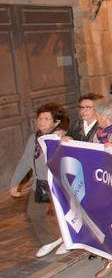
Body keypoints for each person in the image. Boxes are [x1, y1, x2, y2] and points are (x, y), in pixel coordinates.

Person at [9, 103, 68, 258]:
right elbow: (25, 162)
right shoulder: (33, 139)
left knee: (65, 215)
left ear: (56, 122)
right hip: (41, 184)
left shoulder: (61, 138)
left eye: (47, 119)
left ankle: (68, 241)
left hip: (59, 184)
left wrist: (64, 141)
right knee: (34, 214)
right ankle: (52, 239)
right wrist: (14, 183)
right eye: (40, 118)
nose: (41, 122)